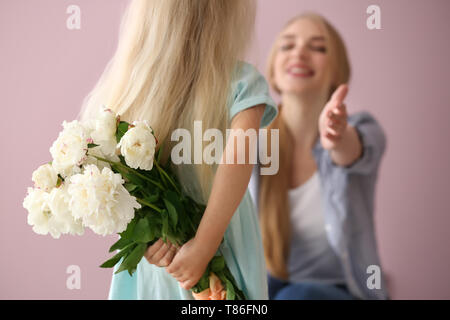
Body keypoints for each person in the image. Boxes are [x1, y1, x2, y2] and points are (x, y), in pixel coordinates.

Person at [79, 0, 278, 299]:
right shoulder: (242, 83)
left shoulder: (130, 90)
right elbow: (239, 160)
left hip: (164, 261)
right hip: (220, 242)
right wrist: (203, 246)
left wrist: (148, 242)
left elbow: (115, 188)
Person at [248, 13, 389, 300]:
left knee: (295, 296)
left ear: (337, 71)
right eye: (288, 45)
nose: (300, 52)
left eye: (318, 47)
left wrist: (337, 136)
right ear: (273, 70)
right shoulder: (252, 139)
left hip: (342, 289)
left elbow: (351, 151)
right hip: (271, 285)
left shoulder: (364, 128)